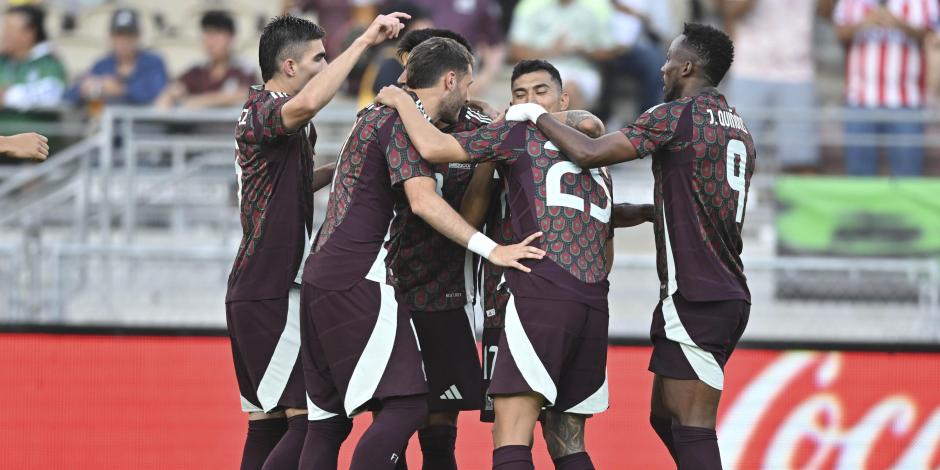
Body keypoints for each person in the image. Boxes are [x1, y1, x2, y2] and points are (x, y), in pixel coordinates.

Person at [506, 23, 754, 468]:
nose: (662, 67)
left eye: (670, 59)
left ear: (688, 67)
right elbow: (697, 197)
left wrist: (534, 116)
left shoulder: (674, 115)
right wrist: (643, 210)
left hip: (698, 291)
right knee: (664, 416)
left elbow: (589, 152)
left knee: (692, 425)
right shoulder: (739, 130)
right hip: (724, 287)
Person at [297, 37, 543, 470]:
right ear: (450, 79)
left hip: (325, 277)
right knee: (408, 406)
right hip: (365, 278)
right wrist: (493, 250)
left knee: (326, 424)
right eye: (465, 84)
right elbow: (423, 199)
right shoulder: (399, 119)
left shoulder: (380, 113)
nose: (468, 94)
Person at [375, 58, 616, 470]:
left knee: (509, 432)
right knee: (568, 441)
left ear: (563, 98)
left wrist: (400, 99)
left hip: (531, 295)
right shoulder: (597, 159)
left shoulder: (518, 134)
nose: (528, 101)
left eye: (540, 92)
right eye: (519, 94)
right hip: (592, 300)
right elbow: (606, 250)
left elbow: (435, 153)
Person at [225, 13, 408, 470]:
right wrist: (364, 39)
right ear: (290, 67)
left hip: (259, 287)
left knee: (267, 422)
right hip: (270, 287)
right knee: (311, 419)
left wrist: (353, 162)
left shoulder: (280, 122)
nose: (325, 66)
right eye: (318, 58)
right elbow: (305, 106)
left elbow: (293, 182)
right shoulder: (265, 109)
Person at [375, 28, 492, 470]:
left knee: (440, 430)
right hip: (390, 289)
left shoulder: (480, 126)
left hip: (447, 293)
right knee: (396, 415)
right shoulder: (383, 120)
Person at [719, 0, 832, 174]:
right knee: (737, 156)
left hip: (798, 71)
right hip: (749, 68)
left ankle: (798, 201)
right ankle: (744, 201)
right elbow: (730, 10)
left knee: (802, 160)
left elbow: (826, 12)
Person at [833, 0, 939, 176]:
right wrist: (863, 23)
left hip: (907, 99)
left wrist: (901, 25)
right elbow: (839, 32)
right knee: (858, 177)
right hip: (861, 97)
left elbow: (933, 37)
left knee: (908, 176)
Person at [508, 0, 617, 110]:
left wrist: (582, 50)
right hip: (542, 68)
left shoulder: (590, 11)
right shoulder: (535, 7)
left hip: (582, 70)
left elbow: (608, 52)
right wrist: (551, 50)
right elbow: (516, 52)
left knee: (568, 90)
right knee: (549, 88)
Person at [155, 10, 257, 109]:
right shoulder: (197, 71)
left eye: (216, 36)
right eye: (207, 35)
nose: (210, 43)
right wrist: (169, 96)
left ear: (231, 38)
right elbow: (178, 88)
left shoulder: (243, 68)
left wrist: (202, 101)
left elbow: (245, 93)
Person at [66, 8, 168, 106]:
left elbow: (158, 92)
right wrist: (82, 89)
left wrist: (121, 90)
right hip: (106, 122)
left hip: (145, 123)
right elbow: (69, 96)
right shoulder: (102, 65)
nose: (124, 41)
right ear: (110, 37)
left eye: (129, 35)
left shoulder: (153, 63)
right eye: (119, 35)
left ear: (138, 36)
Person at [411, 0, 507, 96]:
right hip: (422, 75)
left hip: (460, 77)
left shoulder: (481, 4)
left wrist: (484, 77)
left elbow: (495, 45)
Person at [0, 5, 66, 112]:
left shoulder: (48, 63)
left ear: (29, 34)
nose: (4, 35)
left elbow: (52, 94)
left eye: (10, 30)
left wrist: (8, 96)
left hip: (34, 126)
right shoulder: (2, 61)